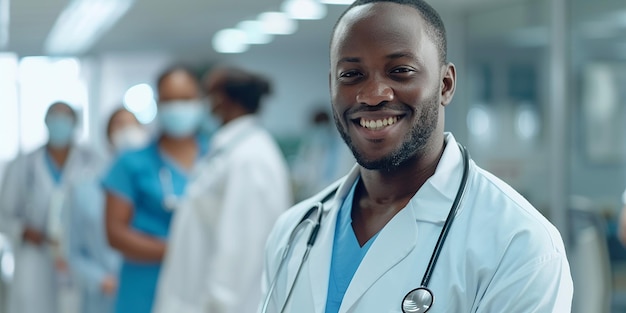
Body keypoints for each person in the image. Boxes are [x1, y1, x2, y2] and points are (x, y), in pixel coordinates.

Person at [259, 1, 573, 312]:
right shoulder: (294, 231)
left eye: (400, 71)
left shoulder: (519, 244)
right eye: (352, 74)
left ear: (445, 85)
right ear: (331, 86)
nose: (372, 94)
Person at [153, 66, 292, 313]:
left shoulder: (251, 159)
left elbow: (241, 250)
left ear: (222, 100)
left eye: (208, 95)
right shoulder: (231, 151)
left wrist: (219, 304)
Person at [103, 66, 208, 313]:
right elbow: (115, 233)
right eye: (170, 100)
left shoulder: (217, 159)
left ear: (201, 102)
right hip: (144, 286)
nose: (178, 107)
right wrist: (179, 249)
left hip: (200, 282)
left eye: (186, 99)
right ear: (158, 103)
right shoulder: (130, 163)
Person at [0, 102, 102, 313]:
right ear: (45, 122)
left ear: (75, 123)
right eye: (54, 117)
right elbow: (3, 215)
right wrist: (24, 231)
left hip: (77, 254)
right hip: (34, 255)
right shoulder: (23, 164)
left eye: (65, 118)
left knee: (75, 305)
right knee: (32, 304)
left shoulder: (93, 162)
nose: (59, 124)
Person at [67, 107, 149, 313]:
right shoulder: (85, 190)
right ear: (107, 136)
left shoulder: (156, 189)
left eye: (132, 125)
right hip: (102, 298)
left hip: (146, 289)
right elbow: (73, 250)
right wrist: (101, 279)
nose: (127, 132)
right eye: (119, 125)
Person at [291, 108, 355, 201]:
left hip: (339, 192)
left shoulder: (343, 147)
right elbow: (305, 171)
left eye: (321, 126)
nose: (319, 132)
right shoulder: (314, 147)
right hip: (318, 195)